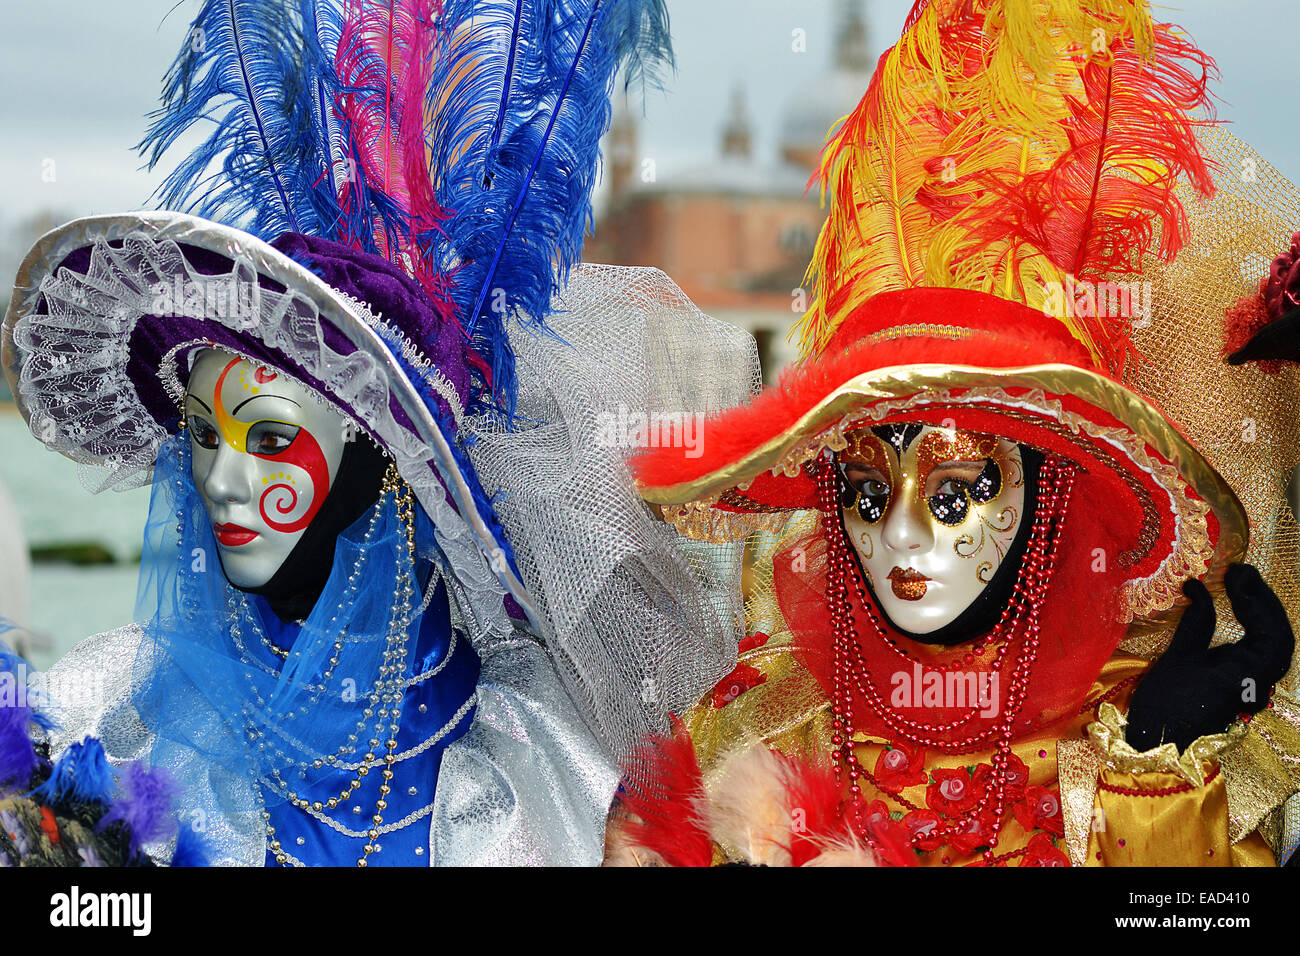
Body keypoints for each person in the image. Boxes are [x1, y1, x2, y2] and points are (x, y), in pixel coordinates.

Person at [1, 0, 745, 866]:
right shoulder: (117, 721)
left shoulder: (525, 751)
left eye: (272, 440)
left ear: (376, 459)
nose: (221, 482)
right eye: (204, 435)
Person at [611, 0, 1300, 867]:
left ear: (1049, 489)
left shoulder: (1140, 735)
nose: (899, 534)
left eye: (955, 492)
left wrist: (1156, 771)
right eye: (864, 492)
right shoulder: (756, 728)